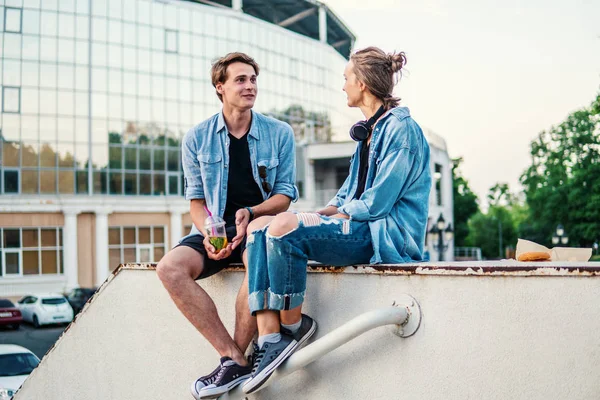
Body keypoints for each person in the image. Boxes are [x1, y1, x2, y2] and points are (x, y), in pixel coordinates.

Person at [241, 46, 432, 394]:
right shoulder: (370, 131)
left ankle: (294, 327)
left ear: (362, 82)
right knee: (260, 228)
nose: (343, 86)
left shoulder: (401, 130)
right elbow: (345, 196)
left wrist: (317, 218)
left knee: (284, 229)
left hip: (382, 236)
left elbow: (377, 203)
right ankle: (269, 338)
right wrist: (311, 214)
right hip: (359, 225)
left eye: (346, 78)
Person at [155, 52, 297, 400]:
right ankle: (232, 357)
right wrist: (209, 232)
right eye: (240, 80)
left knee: (258, 259)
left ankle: (235, 361)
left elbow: (284, 196)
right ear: (220, 87)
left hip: (260, 222)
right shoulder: (197, 138)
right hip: (218, 229)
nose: (250, 86)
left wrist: (250, 212)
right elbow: (196, 202)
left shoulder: (279, 133)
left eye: (253, 80)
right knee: (169, 269)